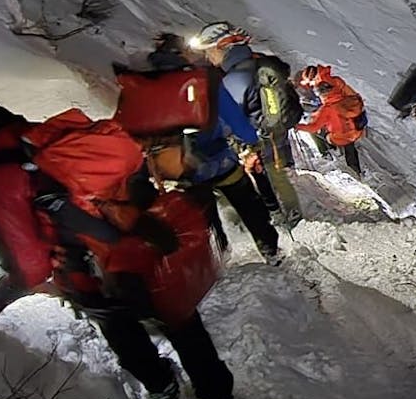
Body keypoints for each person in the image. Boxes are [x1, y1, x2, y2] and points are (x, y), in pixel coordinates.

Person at [0, 91, 245, 399]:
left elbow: (30, 268)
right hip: (148, 250)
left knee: (122, 331)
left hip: (95, 278)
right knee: (186, 328)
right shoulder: (65, 132)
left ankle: (162, 388)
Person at [136, 33, 281, 263]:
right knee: (249, 204)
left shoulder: (147, 86)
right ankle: (270, 250)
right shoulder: (204, 80)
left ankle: (218, 256)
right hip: (219, 160)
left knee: (205, 215)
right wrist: (252, 140)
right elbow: (236, 119)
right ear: (182, 54)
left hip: (180, 166)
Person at [193, 22, 303, 221]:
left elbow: (226, 121)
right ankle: (291, 215)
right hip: (272, 132)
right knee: (274, 175)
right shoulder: (255, 63)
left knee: (256, 175)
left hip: (258, 135)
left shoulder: (234, 79)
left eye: (209, 51)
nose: (208, 57)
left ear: (222, 47)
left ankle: (276, 218)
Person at [295, 63, 368, 176]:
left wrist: (297, 126)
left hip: (340, 134)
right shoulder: (338, 84)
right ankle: (356, 171)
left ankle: (327, 154)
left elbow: (313, 127)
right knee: (349, 144)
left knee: (316, 131)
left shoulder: (327, 108)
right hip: (355, 127)